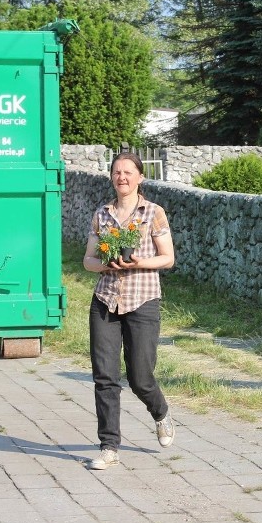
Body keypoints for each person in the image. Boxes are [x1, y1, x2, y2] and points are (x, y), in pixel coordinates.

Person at [83, 152, 176, 470]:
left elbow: (167, 258)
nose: (121, 177)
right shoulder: (102, 214)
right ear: (111, 177)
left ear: (140, 177)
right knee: (105, 376)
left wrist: (138, 262)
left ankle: (160, 412)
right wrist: (105, 264)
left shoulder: (153, 213)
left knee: (140, 377)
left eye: (128, 172)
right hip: (105, 301)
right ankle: (109, 446)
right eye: (116, 172)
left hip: (142, 301)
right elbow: (88, 260)